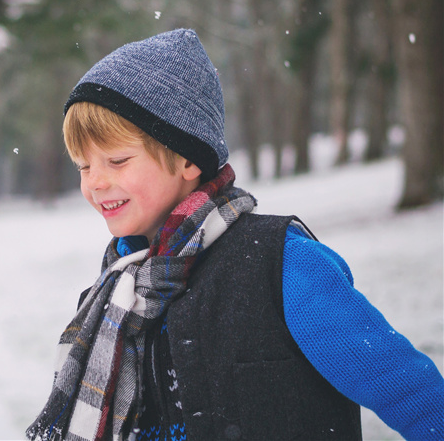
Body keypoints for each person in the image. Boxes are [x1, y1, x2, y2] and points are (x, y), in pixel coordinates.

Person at [27, 29, 444, 441]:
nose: (95, 182)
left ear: (188, 159)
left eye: (116, 161)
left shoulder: (281, 265)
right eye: (83, 166)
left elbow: (410, 391)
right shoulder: (115, 293)